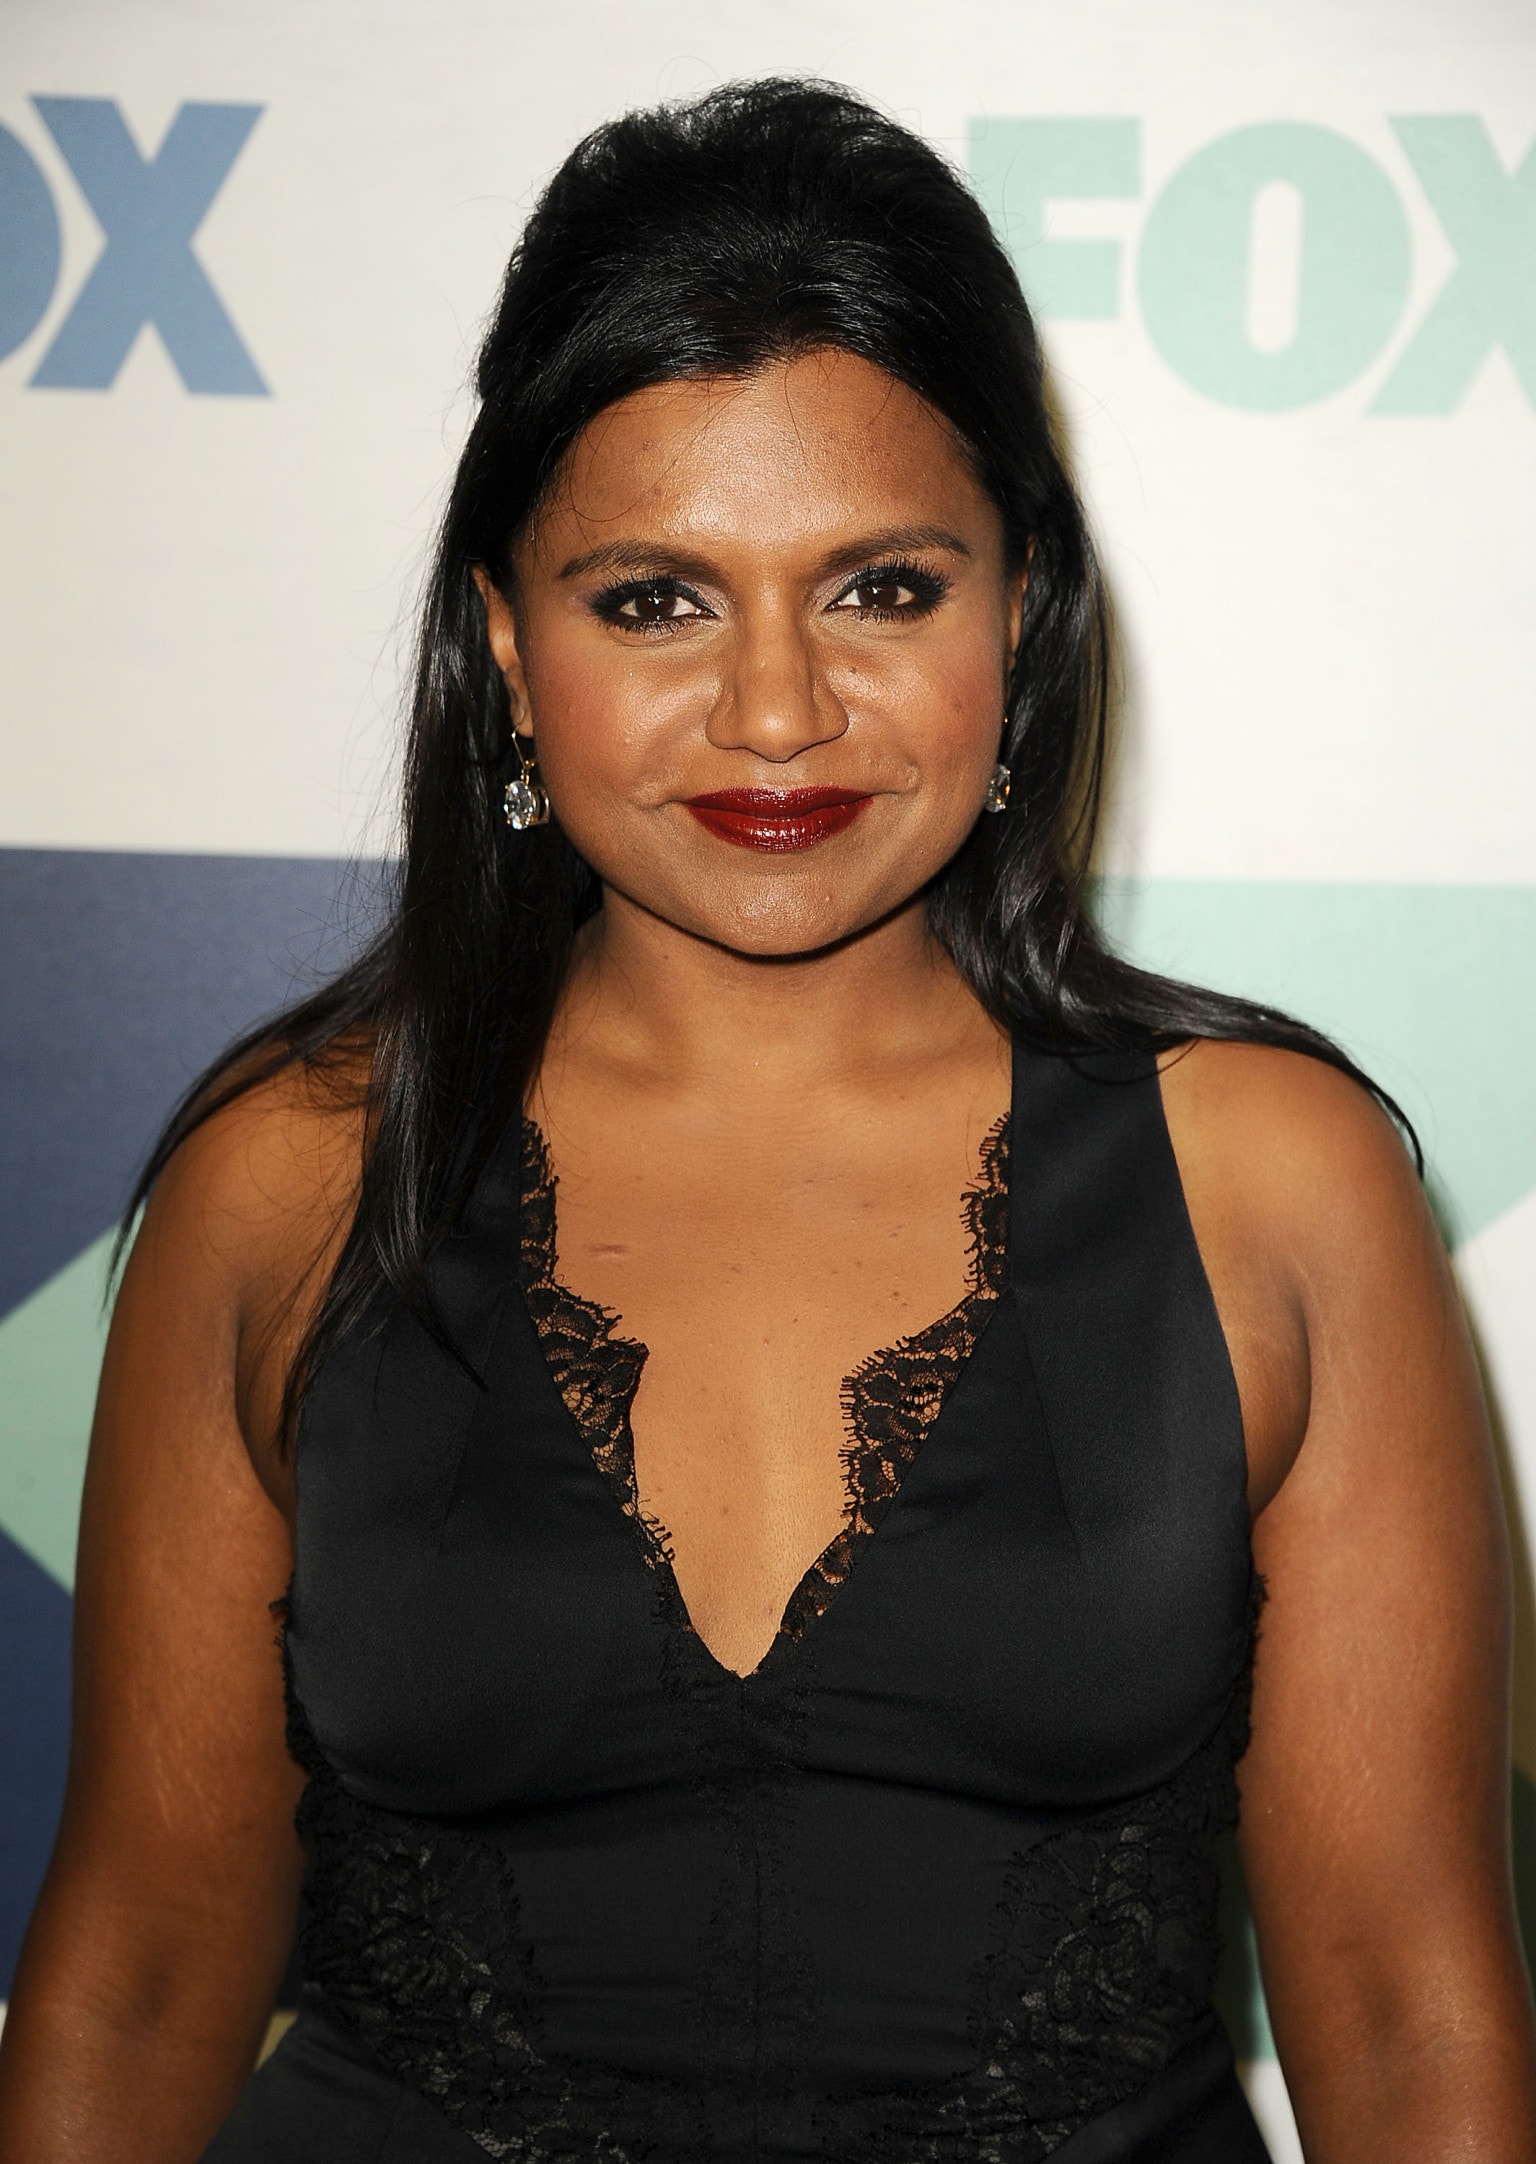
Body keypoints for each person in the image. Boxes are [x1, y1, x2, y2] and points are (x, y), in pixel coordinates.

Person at [0, 76, 1531, 2164]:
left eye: (883, 587)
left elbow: (1406, 2008)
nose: (780, 709)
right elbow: (142, 1971)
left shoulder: (1276, 1181)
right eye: (656, 598)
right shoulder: (287, 1179)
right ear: (505, 647)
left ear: (1022, 605)